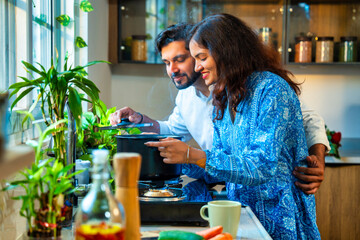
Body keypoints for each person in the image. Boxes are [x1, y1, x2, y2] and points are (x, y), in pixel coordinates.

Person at [145, 13, 321, 239]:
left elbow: (261, 166)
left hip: (281, 220)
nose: (197, 67)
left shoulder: (271, 89)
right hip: (243, 215)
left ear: (225, 52)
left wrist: (190, 154)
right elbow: (220, 161)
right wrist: (166, 156)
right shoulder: (225, 96)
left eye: (201, 57)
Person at [110, 23, 330, 194]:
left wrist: (317, 159)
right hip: (235, 188)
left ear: (209, 51)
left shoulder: (252, 87)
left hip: (273, 191)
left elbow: (307, 118)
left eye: (181, 59)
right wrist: (140, 121)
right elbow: (172, 131)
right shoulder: (186, 96)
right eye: (167, 63)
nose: (172, 70)